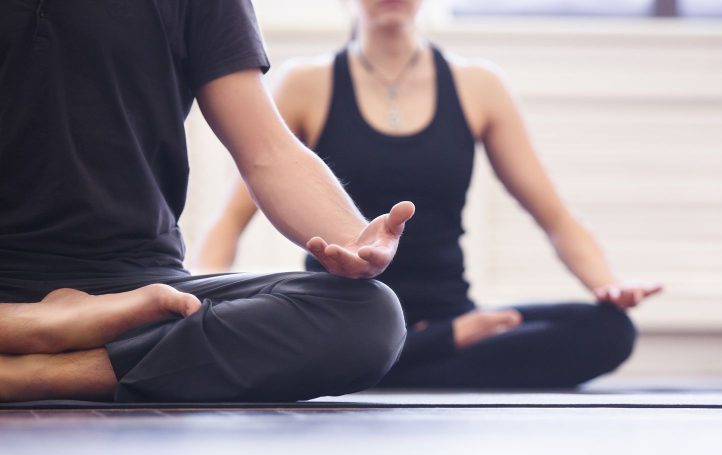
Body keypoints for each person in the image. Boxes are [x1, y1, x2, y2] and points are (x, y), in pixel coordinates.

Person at [194, 0, 663, 389]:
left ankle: (398, 363)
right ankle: (427, 352)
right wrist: (201, 317)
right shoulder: (304, 84)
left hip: (449, 312)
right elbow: (231, 221)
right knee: (339, 340)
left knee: (609, 331)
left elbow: (555, 217)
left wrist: (607, 285)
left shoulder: (479, 86)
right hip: (347, 318)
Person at [0, 0, 416, 403]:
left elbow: (267, 153)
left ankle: (33, 373)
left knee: (367, 317)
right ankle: (33, 327)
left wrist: (352, 237)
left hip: (138, 295)